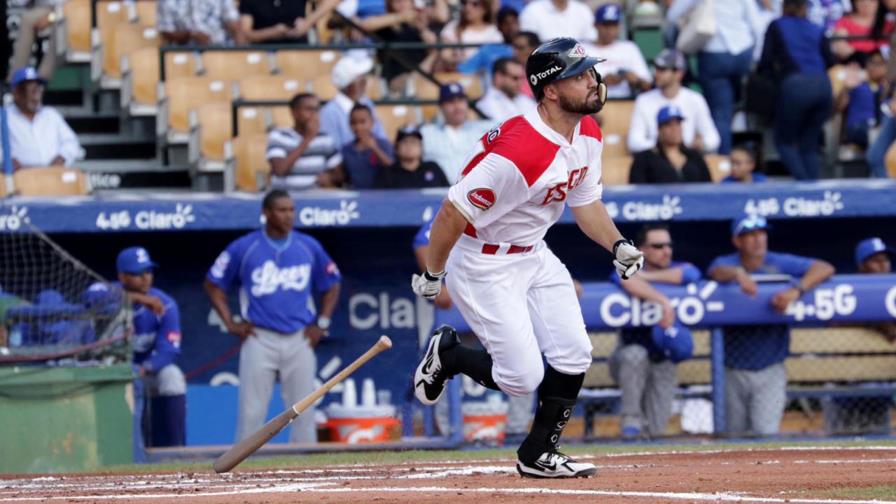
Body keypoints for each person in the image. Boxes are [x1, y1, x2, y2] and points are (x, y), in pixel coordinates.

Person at [410, 37, 645, 478]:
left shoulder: (588, 131)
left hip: (534, 252)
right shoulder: (519, 150)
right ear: (551, 90)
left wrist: (617, 243)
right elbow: (451, 211)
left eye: (592, 71)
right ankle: (451, 355)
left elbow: (586, 201)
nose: (593, 81)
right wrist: (433, 272)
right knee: (522, 377)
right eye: (579, 75)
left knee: (575, 354)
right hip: (483, 261)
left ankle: (538, 453)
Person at [204, 190, 342, 444]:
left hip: (300, 337)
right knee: (252, 411)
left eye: (291, 209)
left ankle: (306, 469)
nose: (289, 215)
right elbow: (213, 283)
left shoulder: (307, 245)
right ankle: (243, 467)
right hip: (260, 337)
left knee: (304, 409)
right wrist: (229, 322)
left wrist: (322, 323)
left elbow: (332, 283)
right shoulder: (245, 246)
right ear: (266, 213)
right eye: (281, 210)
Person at [708, 215, 835, 436]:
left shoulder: (779, 261)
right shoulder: (727, 263)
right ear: (737, 241)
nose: (758, 239)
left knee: (765, 434)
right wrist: (738, 274)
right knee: (730, 436)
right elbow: (715, 270)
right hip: (731, 367)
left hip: (771, 365)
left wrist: (797, 289)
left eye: (761, 233)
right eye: (750, 235)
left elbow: (825, 267)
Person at [413, 215, 537, 439]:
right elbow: (423, 242)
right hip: (465, 295)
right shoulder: (466, 203)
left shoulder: (514, 210)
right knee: (446, 358)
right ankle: (448, 429)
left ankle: (517, 429)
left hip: (500, 297)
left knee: (522, 361)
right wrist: (437, 282)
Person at [609, 224, 700, 439]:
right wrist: (662, 301)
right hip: (627, 357)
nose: (666, 250)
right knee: (634, 355)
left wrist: (647, 279)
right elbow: (625, 277)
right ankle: (631, 420)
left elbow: (691, 273)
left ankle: (651, 440)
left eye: (668, 245)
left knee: (657, 429)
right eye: (658, 246)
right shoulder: (626, 267)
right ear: (643, 250)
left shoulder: (677, 267)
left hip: (663, 357)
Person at [667, 0, 764, 154]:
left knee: (721, 113)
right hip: (743, 53)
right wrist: (757, 56)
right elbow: (757, 24)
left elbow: (672, 15)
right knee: (734, 109)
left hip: (715, 56)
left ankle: (724, 161)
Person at [116, 246, 187, 450]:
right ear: (123, 276)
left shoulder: (165, 304)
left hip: (146, 370)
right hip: (114, 374)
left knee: (172, 376)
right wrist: (137, 299)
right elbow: (92, 297)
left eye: (148, 271)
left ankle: (174, 449)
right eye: (138, 273)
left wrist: (145, 368)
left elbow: (169, 350)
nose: (146, 278)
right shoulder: (107, 294)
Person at [756, 0, 834, 181]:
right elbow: (829, 61)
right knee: (809, 144)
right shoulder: (817, 28)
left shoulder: (777, 26)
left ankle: (804, 188)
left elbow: (765, 62)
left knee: (784, 142)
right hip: (823, 86)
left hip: (796, 86)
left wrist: (777, 82)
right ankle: (814, 191)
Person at [627, 49, 720, 154]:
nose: (656, 74)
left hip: (687, 157)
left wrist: (701, 144)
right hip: (656, 158)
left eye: (662, 70)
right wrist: (668, 146)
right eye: (656, 69)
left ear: (679, 73)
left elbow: (713, 139)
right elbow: (634, 142)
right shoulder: (643, 100)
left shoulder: (695, 99)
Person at [2, 67, 81, 171]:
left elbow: (71, 142)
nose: (36, 94)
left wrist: (62, 157)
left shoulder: (51, 114)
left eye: (38, 88)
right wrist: (6, 160)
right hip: (19, 178)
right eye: (30, 89)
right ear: (16, 93)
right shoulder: (4, 115)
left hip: (52, 176)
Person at [359, 0, 439, 94]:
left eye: (405, 1)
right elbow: (364, 26)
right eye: (396, 1)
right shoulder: (385, 24)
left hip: (419, 76)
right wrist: (400, 17)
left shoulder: (420, 21)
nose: (402, 4)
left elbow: (434, 46)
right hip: (393, 77)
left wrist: (422, 29)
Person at [266, 93, 343, 190]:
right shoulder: (279, 136)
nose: (314, 114)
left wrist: (331, 178)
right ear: (294, 113)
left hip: (316, 197)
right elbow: (280, 170)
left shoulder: (325, 139)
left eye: (316, 110)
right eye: (309, 109)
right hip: (285, 198)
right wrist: (308, 138)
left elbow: (339, 175)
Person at [420, 83, 492, 181]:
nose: (457, 107)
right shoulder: (426, 133)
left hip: (476, 191)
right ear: (441, 106)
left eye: (461, 101)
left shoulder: (482, 130)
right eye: (451, 102)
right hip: (439, 192)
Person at [629, 105, 713, 183]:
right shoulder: (645, 159)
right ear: (659, 129)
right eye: (669, 125)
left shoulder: (695, 157)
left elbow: (708, 187)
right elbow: (637, 191)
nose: (675, 129)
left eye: (678, 124)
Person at [585, 3, 652, 99]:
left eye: (614, 25)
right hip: (594, 103)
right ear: (595, 25)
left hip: (626, 102)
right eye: (606, 25)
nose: (610, 30)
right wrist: (602, 82)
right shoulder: (584, 49)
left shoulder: (629, 48)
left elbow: (648, 84)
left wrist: (635, 80)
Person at [320, 55, 387, 150]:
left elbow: (381, 137)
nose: (364, 82)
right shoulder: (329, 112)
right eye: (360, 78)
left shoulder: (367, 103)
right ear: (348, 85)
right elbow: (334, 149)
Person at [457, 7, 521, 80]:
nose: (511, 27)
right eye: (506, 23)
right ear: (499, 27)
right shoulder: (488, 50)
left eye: (514, 22)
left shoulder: (529, 47)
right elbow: (464, 69)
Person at [375, 126, 449, 188]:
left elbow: (449, 195)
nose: (409, 146)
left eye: (414, 142)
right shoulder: (387, 173)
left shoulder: (433, 168)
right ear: (396, 148)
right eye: (405, 142)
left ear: (421, 147)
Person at [341, 104, 395, 189]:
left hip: (381, 196)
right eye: (353, 123)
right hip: (357, 196)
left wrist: (375, 149)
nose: (358, 127)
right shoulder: (346, 149)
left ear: (372, 122)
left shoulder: (384, 144)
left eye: (362, 122)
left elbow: (394, 169)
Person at [439, 0, 503, 69]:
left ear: (485, 8)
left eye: (475, 4)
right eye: (464, 3)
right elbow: (445, 55)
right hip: (456, 74)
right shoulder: (452, 27)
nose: (467, 7)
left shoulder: (494, 34)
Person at [240, 0, 340, 44]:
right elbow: (245, 34)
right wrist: (273, 32)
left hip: (298, 48)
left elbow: (332, 1)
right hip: (264, 52)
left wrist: (308, 22)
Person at [855, 237, 896, 342]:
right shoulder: (854, 289)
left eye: (885, 259)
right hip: (857, 349)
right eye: (876, 260)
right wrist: (880, 323)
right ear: (862, 266)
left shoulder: (893, 288)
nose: (883, 265)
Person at [9, 0, 61, 81]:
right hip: (48, 10)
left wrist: (51, 17)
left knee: (59, 28)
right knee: (27, 19)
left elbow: (74, 5)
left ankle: (40, 81)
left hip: (72, 12)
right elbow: (21, 2)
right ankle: (14, 81)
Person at [157, 0, 246, 45]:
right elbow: (167, 32)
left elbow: (234, 24)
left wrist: (241, 53)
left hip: (219, 47)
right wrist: (191, 35)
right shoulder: (166, 1)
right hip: (185, 50)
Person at [519, 0, 596, 43]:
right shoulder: (532, 10)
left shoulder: (583, 10)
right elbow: (528, 44)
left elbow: (590, 40)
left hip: (579, 61)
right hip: (546, 63)